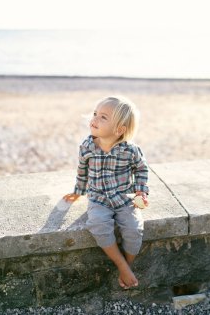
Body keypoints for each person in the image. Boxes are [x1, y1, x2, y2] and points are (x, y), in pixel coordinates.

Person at [63, 96, 149, 289]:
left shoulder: (131, 151)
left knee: (134, 230)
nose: (94, 119)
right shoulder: (87, 147)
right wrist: (78, 191)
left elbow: (141, 170)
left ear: (119, 130)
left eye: (103, 117)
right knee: (98, 224)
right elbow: (82, 170)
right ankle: (122, 266)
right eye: (95, 114)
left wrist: (140, 192)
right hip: (98, 198)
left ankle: (128, 265)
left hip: (124, 198)